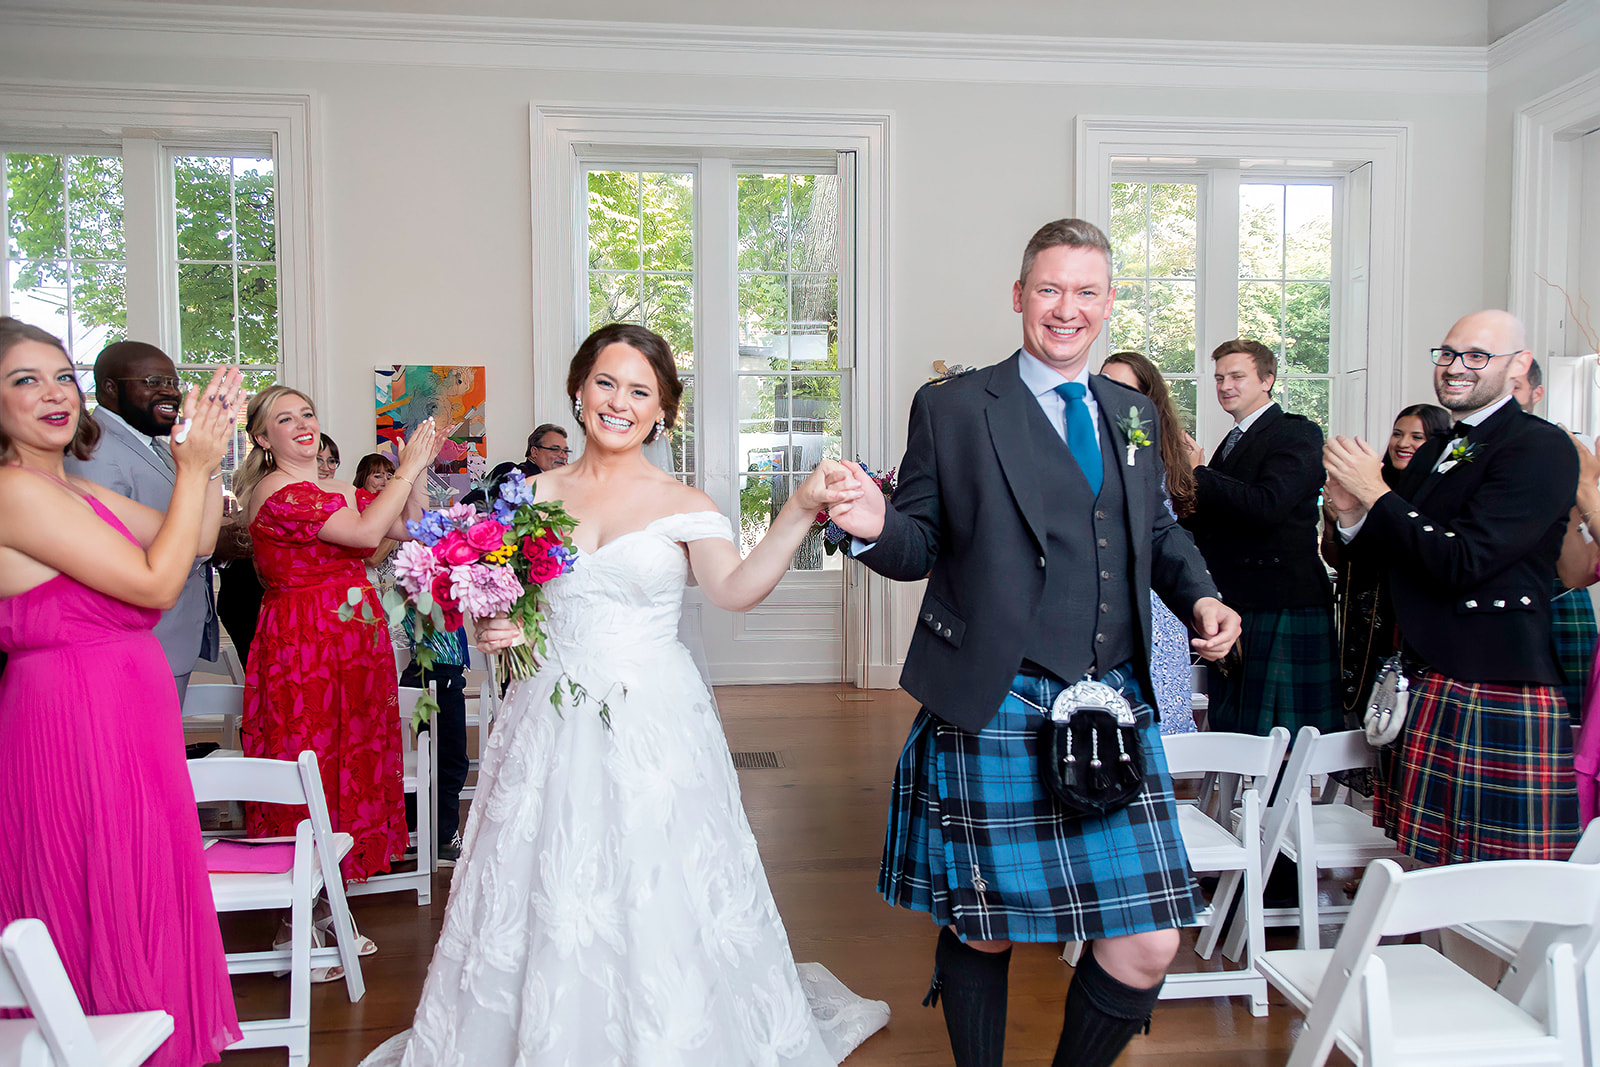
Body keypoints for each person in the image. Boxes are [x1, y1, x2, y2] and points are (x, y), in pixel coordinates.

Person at [359, 322, 888, 1067]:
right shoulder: (527, 495)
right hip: (545, 713)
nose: (619, 402)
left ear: (662, 410)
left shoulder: (684, 501)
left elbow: (734, 589)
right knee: (545, 876)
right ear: (579, 390)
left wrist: (799, 508)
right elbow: (501, 599)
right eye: (606, 383)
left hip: (653, 717)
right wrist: (492, 621)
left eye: (640, 391)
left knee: (654, 873)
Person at [828, 219, 1240, 1067]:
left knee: (1148, 943)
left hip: (1111, 702)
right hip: (999, 694)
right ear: (1020, 296)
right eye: (1050, 289)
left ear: (1109, 301)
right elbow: (918, 543)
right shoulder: (954, 406)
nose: (1066, 308)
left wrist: (1201, 595)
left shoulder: (1131, 412)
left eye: (1086, 291)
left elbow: (1157, 530)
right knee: (982, 926)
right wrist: (873, 525)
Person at [0, 316, 244, 1066]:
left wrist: (205, 458)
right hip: (76, 716)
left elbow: (197, 539)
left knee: (140, 885)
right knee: (92, 886)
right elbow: (157, 584)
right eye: (25, 380)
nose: (55, 393)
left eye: (62, 377)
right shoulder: (14, 492)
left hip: (129, 715)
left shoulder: (73, 490)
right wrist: (192, 468)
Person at [1325, 309, 1581, 864]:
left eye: (1477, 356)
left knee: (1504, 875)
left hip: (1491, 675)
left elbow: (1465, 561)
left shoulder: (1539, 447)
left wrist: (1377, 494)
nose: (1456, 367)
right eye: (1447, 353)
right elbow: (1391, 557)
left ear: (1519, 365)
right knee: (1427, 864)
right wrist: (1351, 513)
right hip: (1428, 669)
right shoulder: (1440, 447)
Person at [237, 387, 440, 899]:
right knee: (310, 756)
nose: (303, 424)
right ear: (263, 438)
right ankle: (298, 908)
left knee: (352, 755)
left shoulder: (332, 489)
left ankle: (333, 901)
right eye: (286, 419)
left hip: (353, 636)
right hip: (304, 640)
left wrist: (418, 468)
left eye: (307, 413)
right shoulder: (278, 492)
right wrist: (405, 470)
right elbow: (368, 535)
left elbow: (413, 526)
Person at [1180, 338, 1340, 738]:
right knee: (1238, 731)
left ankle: (1283, 786)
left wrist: (1198, 474)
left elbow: (1268, 505)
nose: (1225, 386)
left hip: (1282, 599)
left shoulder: (1296, 433)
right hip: (1239, 601)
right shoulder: (1232, 441)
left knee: (1283, 738)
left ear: (1267, 380)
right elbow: (1218, 522)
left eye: (1237, 376)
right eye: (1219, 378)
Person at [64, 340, 218, 705]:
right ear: (110, 388)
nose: (170, 392)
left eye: (173, 382)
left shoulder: (159, 446)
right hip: (132, 639)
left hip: (169, 633)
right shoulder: (94, 449)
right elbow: (112, 557)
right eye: (153, 381)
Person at [1322, 403, 1450, 727]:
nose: (1403, 443)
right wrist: (1338, 520)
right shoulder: (1369, 484)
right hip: (1363, 621)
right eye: (1397, 434)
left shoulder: (1441, 493)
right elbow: (1343, 560)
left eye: (1417, 437)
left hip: (1407, 623)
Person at [1100, 350, 1200, 734]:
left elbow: (1166, 532)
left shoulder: (1154, 452)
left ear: (1146, 399)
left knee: (1158, 718)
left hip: (1154, 604)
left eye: (1124, 389)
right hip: (1108, 601)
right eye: (1104, 385)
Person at [1512, 359, 1599, 723]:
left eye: (1515, 387)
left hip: (1558, 596)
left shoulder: (1565, 450)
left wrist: (1582, 489)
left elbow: (1576, 574)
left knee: (1571, 720)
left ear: (1537, 393)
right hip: (1497, 602)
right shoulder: (1464, 451)